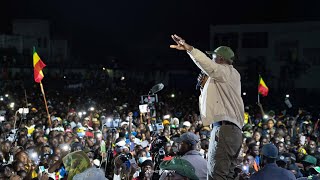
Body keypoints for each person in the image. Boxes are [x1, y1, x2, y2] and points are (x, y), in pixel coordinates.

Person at [170, 34, 244, 180]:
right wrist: (204, 88)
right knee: (226, 175)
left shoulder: (226, 71)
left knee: (216, 176)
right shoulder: (228, 75)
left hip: (225, 130)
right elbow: (214, 101)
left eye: (213, 57)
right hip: (231, 131)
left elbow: (207, 65)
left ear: (221, 59)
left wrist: (189, 49)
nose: (211, 60)